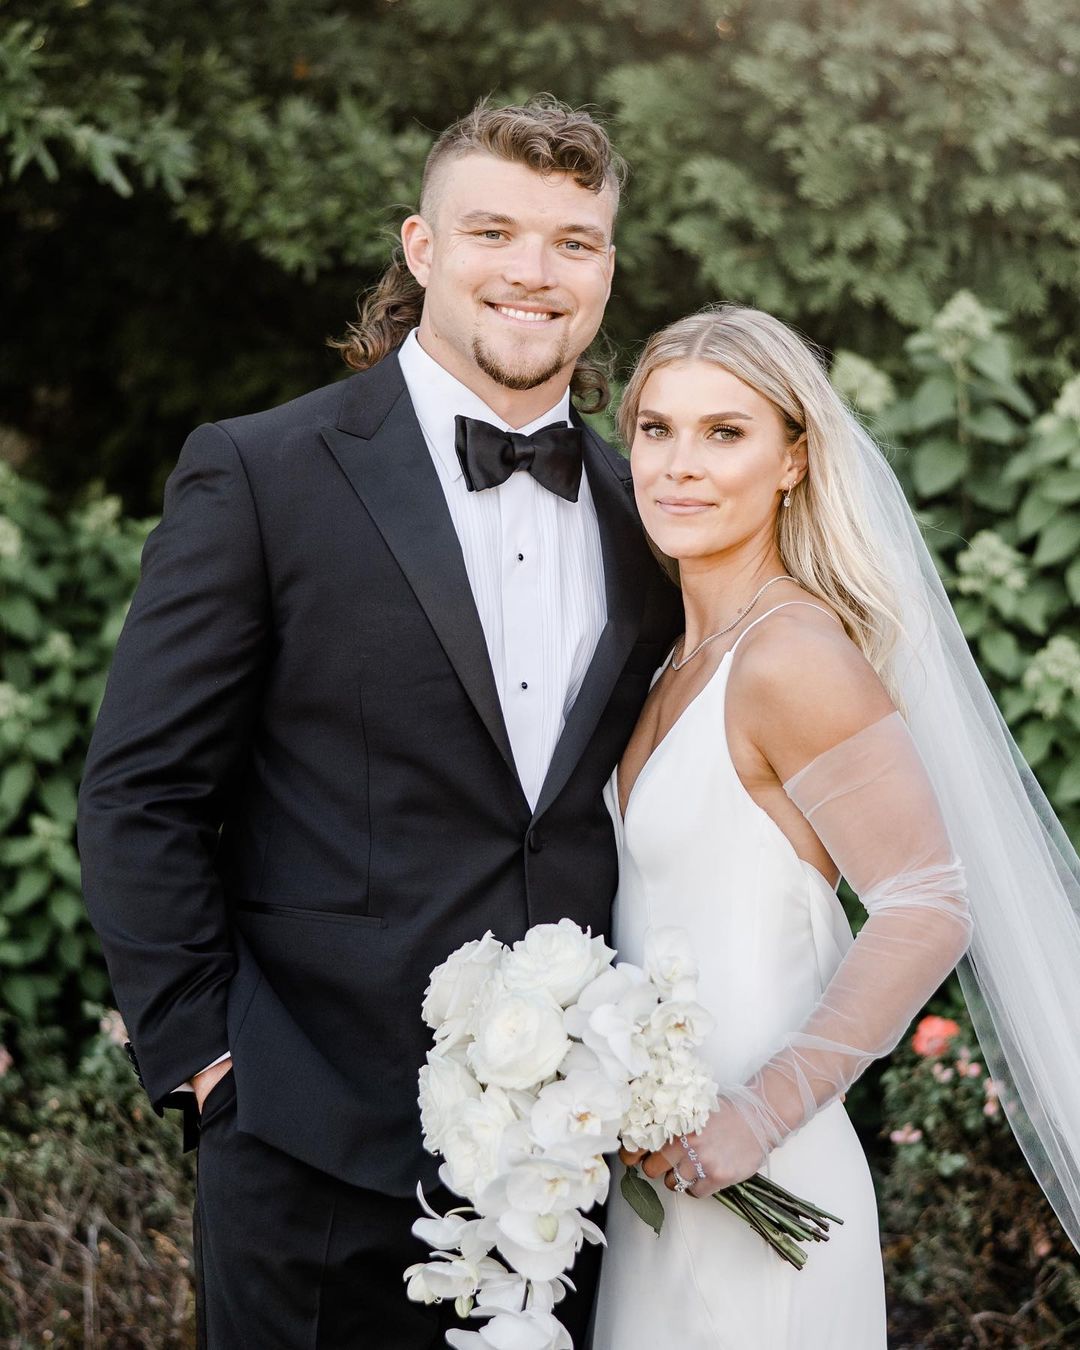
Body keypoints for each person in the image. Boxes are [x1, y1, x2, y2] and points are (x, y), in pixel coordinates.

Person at [76, 96, 681, 1349]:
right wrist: (211, 1069)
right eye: (493, 231)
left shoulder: (652, 514)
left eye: (574, 241)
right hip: (307, 1142)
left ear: (608, 269)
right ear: (420, 246)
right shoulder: (261, 473)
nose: (532, 272)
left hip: (572, 1168)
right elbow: (143, 794)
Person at [590, 304, 1080, 1348]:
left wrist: (759, 1116)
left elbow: (928, 902)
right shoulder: (668, 664)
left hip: (768, 1181)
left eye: (726, 433)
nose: (680, 465)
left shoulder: (792, 655)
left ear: (793, 461)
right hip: (657, 1186)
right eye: (656, 430)